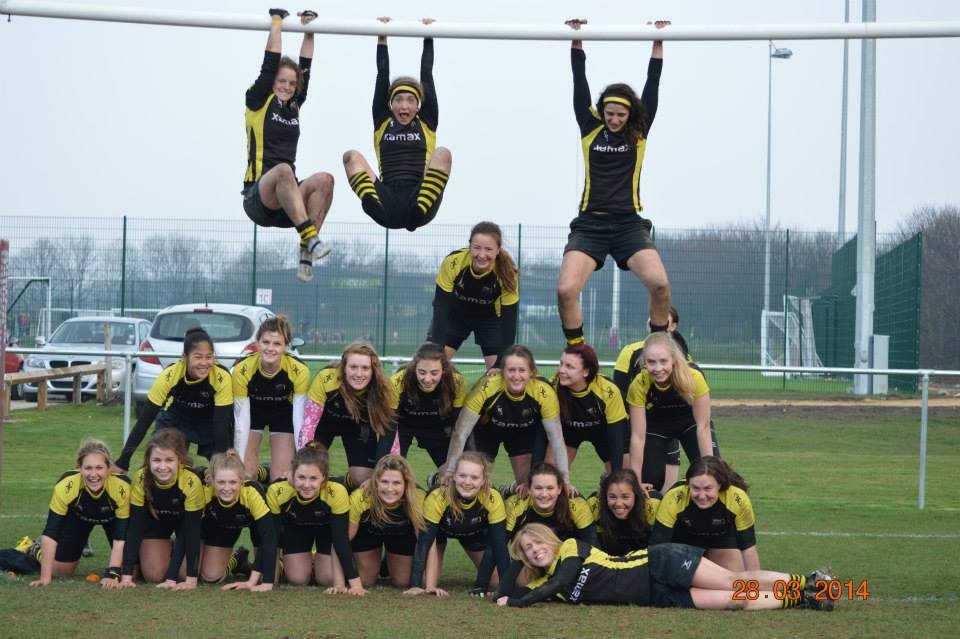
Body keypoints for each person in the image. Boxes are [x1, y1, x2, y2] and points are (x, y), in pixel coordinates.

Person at [557, 19, 672, 346]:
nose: (615, 118)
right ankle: (578, 352)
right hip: (590, 225)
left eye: (621, 114)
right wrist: (576, 40)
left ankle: (659, 345)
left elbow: (653, 82)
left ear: (630, 114)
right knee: (565, 290)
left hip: (629, 226)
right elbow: (578, 81)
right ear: (602, 111)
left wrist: (658, 40)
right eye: (609, 113)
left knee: (661, 286)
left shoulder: (639, 131)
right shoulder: (590, 127)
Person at [495, 523, 837, 611]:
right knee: (737, 600)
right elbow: (506, 591)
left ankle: (812, 582)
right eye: (527, 550)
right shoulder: (548, 588)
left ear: (550, 540)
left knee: (733, 581)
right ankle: (805, 598)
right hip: (656, 597)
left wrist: (518, 603)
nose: (535, 550)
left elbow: (556, 583)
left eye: (537, 542)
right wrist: (515, 565)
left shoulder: (570, 550)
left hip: (659, 565)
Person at [243, 8, 334, 283]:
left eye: (291, 83)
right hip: (259, 198)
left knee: (325, 180)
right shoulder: (258, 99)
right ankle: (310, 236)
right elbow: (269, 62)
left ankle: (306, 252)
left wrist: (310, 29)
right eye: (281, 81)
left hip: (288, 204)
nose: (286, 86)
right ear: (272, 83)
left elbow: (306, 65)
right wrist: (277, 22)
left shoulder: (294, 105)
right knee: (283, 170)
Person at [343, 17, 451, 231]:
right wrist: (382, 37)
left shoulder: (426, 122)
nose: (404, 106)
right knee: (351, 156)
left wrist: (428, 36)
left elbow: (426, 76)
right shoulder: (383, 121)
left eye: (410, 100)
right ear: (390, 104)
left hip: (420, 200)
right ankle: (371, 203)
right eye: (398, 100)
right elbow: (382, 75)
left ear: (418, 105)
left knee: (443, 154)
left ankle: (419, 207)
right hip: (387, 202)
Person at [612, 306, 717, 491]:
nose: (658, 368)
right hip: (656, 425)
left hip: (690, 423)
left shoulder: (694, 377)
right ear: (644, 362)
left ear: (674, 360)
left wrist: (712, 471)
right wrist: (636, 480)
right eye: (651, 362)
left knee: (709, 474)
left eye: (663, 361)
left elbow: (703, 427)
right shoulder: (639, 384)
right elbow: (637, 436)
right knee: (651, 480)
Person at [442, 345, 570, 490]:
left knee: (528, 485)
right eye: (511, 370)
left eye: (522, 370)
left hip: (521, 433)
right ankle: (437, 478)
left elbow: (556, 438)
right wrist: (450, 472)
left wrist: (565, 480)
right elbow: (461, 432)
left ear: (531, 372)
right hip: (487, 433)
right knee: (476, 484)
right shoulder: (487, 387)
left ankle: (508, 491)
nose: (516, 376)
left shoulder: (544, 392)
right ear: (502, 372)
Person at [116, 327, 232, 473]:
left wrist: (220, 466)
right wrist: (123, 461)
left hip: (211, 421)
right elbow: (145, 420)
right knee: (161, 461)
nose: (204, 363)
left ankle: (201, 477)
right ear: (184, 357)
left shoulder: (222, 377)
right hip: (177, 419)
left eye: (209, 357)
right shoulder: (169, 375)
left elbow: (221, 425)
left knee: (224, 470)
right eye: (198, 357)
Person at [405, 452, 510, 596]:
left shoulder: (493, 497)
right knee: (425, 583)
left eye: (474, 477)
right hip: (439, 534)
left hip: (473, 533)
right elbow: (425, 541)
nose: (467, 482)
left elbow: (499, 545)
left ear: (483, 481)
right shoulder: (437, 496)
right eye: (462, 476)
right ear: (453, 476)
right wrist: (415, 585)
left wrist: (505, 589)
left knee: (496, 582)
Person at [28, 440, 130, 588]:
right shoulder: (66, 485)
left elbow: (120, 537)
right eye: (88, 468)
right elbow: (51, 532)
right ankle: (36, 549)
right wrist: (45, 577)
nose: (93, 474)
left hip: (112, 519)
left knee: (132, 571)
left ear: (109, 468)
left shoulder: (122, 487)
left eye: (99, 468)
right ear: (80, 469)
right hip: (78, 518)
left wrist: (113, 574)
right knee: (61, 572)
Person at [266, 442, 366, 593]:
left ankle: (316, 561)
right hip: (296, 529)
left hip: (326, 531)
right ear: (291, 475)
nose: (306, 484)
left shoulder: (337, 491)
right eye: (301, 477)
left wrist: (355, 585)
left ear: (324, 479)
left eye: (313, 478)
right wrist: (270, 581)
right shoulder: (277, 490)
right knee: (297, 579)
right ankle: (289, 564)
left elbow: (340, 539)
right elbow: (272, 537)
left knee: (326, 579)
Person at [298, 341, 396, 489]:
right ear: (344, 367)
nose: (358, 374)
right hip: (323, 426)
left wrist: (383, 473)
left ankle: (345, 483)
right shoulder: (326, 378)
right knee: (310, 472)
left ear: (373, 370)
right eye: (353, 367)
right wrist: (301, 461)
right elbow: (308, 424)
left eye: (365, 368)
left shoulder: (384, 389)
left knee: (364, 479)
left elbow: (389, 434)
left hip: (357, 428)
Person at [117, 429, 204, 589]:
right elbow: (135, 528)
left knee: (185, 574)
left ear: (180, 460)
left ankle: (182, 555)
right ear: (148, 460)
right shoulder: (141, 478)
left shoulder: (191, 481)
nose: (162, 467)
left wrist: (190, 579)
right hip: (157, 524)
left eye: (169, 460)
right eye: (156, 460)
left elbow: (190, 531)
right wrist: (127, 576)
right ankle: (165, 549)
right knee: (154, 575)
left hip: (185, 528)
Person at [428, 222, 519, 371]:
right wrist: (436, 351)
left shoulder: (508, 274)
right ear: (470, 246)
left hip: (489, 320)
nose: (482, 255)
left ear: (498, 250)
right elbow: (440, 307)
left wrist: (501, 362)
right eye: (477, 248)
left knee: (500, 374)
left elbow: (509, 322)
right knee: (429, 363)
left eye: (488, 249)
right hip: (454, 317)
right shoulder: (453, 262)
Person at [233, 315, 310, 482]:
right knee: (246, 474)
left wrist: (301, 460)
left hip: (282, 415)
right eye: (266, 342)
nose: (270, 348)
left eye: (277, 344)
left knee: (281, 479)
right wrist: (238, 458)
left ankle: (270, 472)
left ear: (286, 346)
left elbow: (299, 419)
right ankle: (259, 471)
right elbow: (241, 420)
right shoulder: (242, 369)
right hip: (252, 413)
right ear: (257, 343)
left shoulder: (299, 370)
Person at [650, 456, 758, 572]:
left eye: (708, 489)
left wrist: (754, 585)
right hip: (682, 544)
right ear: (688, 484)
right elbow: (657, 548)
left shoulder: (737, 499)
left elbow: (748, 548)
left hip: (719, 541)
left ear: (720, 485)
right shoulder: (674, 498)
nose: (701, 496)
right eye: (695, 488)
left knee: (735, 579)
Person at [194, 450, 278, 591]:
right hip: (222, 524)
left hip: (254, 525)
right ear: (212, 480)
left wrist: (261, 582)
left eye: (233, 482)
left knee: (269, 576)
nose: (227, 488)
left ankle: (265, 470)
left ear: (242, 481)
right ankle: (237, 561)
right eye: (221, 482)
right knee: (210, 577)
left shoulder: (252, 491)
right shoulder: (205, 490)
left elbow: (268, 536)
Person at [375, 343, 467, 470]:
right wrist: (379, 469)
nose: (427, 379)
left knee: (454, 471)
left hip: (436, 426)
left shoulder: (456, 382)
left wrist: (459, 463)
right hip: (403, 425)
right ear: (414, 369)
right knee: (391, 470)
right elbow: (389, 428)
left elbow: (459, 426)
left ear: (443, 370)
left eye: (434, 373)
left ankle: (435, 480)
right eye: (422, 372)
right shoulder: (398, 381)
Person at [348, 455, 425, 588]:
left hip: (401, 534)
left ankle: (388, 562)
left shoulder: (418, 497)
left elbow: (425, 542)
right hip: (369, 533)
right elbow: (342, 541)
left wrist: (420, 584)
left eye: (396, 483)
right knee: (366, 582)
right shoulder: (361, 497)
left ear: (406, 484)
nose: (390, 489)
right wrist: (339, 583)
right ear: (375, 481)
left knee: (403, 582)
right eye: (384, 482)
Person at [551, 343, 628, 473]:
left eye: (569, 366)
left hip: (603, 431)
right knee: (550, 475)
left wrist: (615, 475)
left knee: (622, 475)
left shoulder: (607, 390)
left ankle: (606, 483)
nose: (562, 370)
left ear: (586, 371)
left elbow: (616, 437)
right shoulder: (554, 386)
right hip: (570, 431)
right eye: (561, 364)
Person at [587, 469, 660, 555]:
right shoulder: (595, 506)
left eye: (625, 497)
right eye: (612, 497)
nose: (618, 504)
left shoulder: (652, 504)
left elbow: (660, 547)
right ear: (604, 496)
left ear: (636, 495)